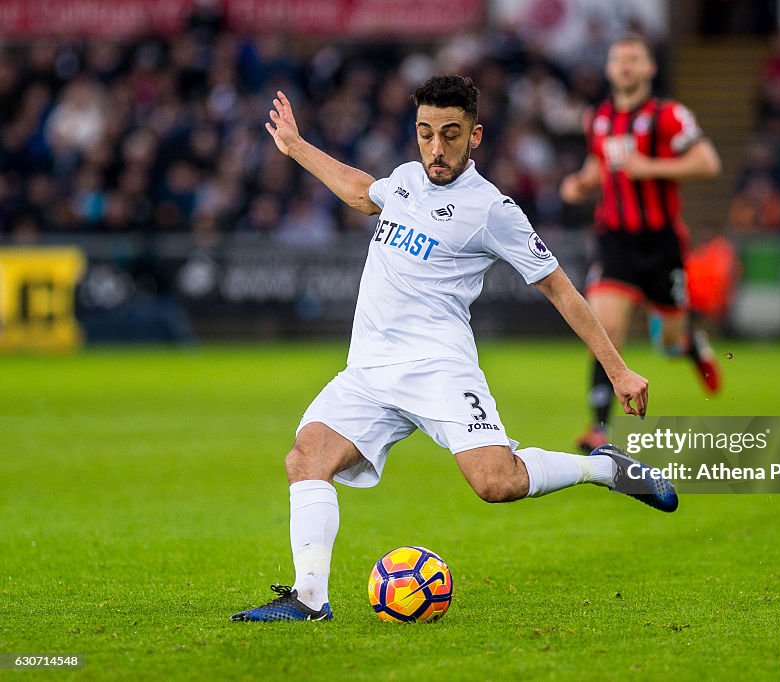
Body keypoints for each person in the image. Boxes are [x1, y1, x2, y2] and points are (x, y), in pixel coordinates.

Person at [231, 76, 678, 623]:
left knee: (497, 483)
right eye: (425, 134)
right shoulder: (403, 182)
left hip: (441, 370)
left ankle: (603, 470)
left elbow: (558, 286)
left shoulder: (493, 210)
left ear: (475, 135)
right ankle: (308, 598)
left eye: (450, 134)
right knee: (306, 458)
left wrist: (619, 370)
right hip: (369, 371)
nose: (436, 149)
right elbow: (359, 190)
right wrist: (297, 147)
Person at [560, 33, 724, 452]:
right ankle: (600, 427)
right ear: (610, 69)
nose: (626, 66)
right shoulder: (598, 118)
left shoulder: (669, 114)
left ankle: (690, 345)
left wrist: (649, 165)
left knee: (669, 342)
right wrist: (581, 184)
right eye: (619, 60)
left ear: (650, 68)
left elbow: (708, 162)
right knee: (606, 329)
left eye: (634, 59)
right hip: (615, 241)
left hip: (662, 243)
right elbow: (599, 166)